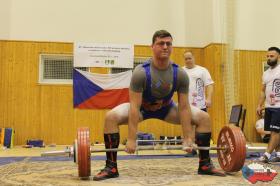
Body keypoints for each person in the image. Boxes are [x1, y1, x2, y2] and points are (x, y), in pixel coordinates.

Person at [93, 30, 225, 181]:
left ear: (172, 47)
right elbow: (134, 107)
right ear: (152, 47)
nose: (165, 47)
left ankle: (205, 164)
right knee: (111, 117)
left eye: (168, 44)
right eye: (161, 43)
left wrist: (188, 137)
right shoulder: (141, 72)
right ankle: (111, 167)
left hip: (167, 109)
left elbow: (183, 107)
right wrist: (131, 138)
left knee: (204, 118)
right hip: (142, 109)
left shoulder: (179, 73)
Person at [182, 51, 214, 157]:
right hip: (186, 105)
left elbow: (209, 85)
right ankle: (191, 149)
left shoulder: (202, 70)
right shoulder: (181, 71)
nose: (188, 60)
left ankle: (202, 150)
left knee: (201, 127)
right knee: (189, 126)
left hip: (200, 104)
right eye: (186, 59)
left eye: (189, 58)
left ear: (194, 58)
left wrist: (209, 99)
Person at [256, 46, 280, 163]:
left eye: (272, 56)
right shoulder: (265, 73)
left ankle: (266, 155)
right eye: (268, 56)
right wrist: (259, 105)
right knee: (273, 132)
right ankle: (279, 154)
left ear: (278, 57)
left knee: (276, 131)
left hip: (279, 107)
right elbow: (263, 90)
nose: (269, 58)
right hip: (269, 106)